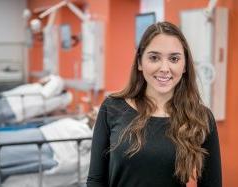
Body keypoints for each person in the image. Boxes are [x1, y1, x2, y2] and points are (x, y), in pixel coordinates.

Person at [86, 21, 222, 187]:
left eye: (174, 58)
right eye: (154, 57)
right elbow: (96, 180)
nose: (164, 68)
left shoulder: (201, 118)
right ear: (140, 63)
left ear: (185, 65)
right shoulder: (112, 108)